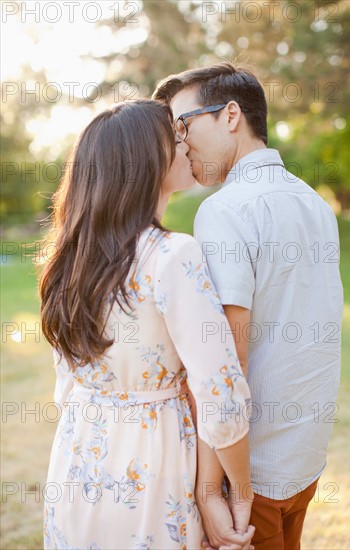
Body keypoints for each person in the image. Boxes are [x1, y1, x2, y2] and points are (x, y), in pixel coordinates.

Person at [39, 99, 255, 550]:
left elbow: (66, 384)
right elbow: (220, 390)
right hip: (151, 461)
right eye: (175, 139)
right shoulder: (174, 255)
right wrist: (237, 489)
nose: (187, 146)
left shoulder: (69, 259)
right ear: (146, 161)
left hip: (78, 455)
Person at [153, 63, 344, 550]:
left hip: (252, 472)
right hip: (304, 457)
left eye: (184, 125)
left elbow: (225, 362)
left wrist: (212, 488)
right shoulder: (314, 203)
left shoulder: (226, 210)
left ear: (230, 115)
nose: (181, 142)